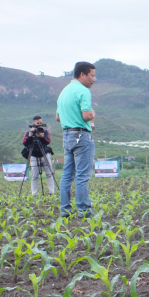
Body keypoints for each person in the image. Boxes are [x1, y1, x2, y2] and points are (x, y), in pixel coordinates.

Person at [57, 61, 96, 219]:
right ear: (82, 75)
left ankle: (65, 210)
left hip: (67, 135)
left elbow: (58, 117)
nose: (94, 79)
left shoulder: (64, 91)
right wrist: (92, 114)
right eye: (92, 75)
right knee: (82, 175)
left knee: (67, 175)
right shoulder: (83, 90)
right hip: (81, 136)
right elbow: (87, 115)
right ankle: (84, 211)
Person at [22, 115, 55, 195]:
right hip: (33, 155)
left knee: (49, 173)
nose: (39, 124)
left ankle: (52, 192)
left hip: (45, 154)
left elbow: (48, 141)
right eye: (37, 123)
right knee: (34, 175)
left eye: (40, 123)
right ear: (34, 123)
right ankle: (34, 194)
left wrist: (42, 137)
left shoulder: (45, 131)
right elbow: (24, 143)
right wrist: (30, 136)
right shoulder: (28, 132)